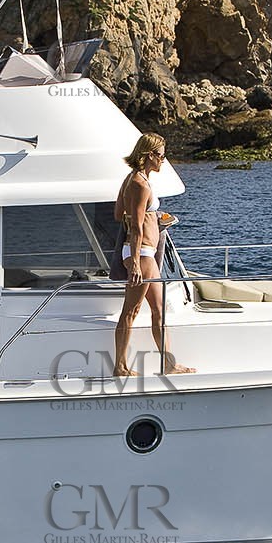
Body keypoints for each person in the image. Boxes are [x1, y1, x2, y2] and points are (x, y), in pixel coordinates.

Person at [114, 133, 193, 377]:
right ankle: (120, 367)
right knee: (131, 311)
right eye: (161, 155)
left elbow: (119, 214)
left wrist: (154, 218)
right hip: (142, 254)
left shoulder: (133, 179)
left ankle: (169, 364)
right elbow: (135, 227)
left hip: (144, 252)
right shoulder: (138, 183)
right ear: (149, 156)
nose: (163, 160)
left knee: (159, 310)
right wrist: (135, 263)